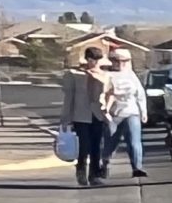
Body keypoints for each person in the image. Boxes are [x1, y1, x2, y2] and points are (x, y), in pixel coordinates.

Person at [60, 47, 111, 186]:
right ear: (86, 59)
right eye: (91, 60)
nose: (93, 63)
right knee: (84, 145)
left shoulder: (105, 76)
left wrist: (108, 110)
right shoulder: (75, 75)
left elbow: (110, 94)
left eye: (96, 60)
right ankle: (81, 171)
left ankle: (94, 175)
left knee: (96, 146)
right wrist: (66, 118)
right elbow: (69, 97)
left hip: (98, 114)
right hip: (80, 115)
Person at [100, 47, 148, 180]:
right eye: (117, 61)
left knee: (134, 141)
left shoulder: (131, 75)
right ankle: (104, 164)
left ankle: (137, 167)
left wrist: (143, 111)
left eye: (125, 61)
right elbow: (102, 94)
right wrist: (104, 110)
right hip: (113, 114)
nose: (121, 64)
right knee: (110, 143)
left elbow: (140, 94)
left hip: (131, 111)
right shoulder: (107, 75)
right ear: (112, 61)